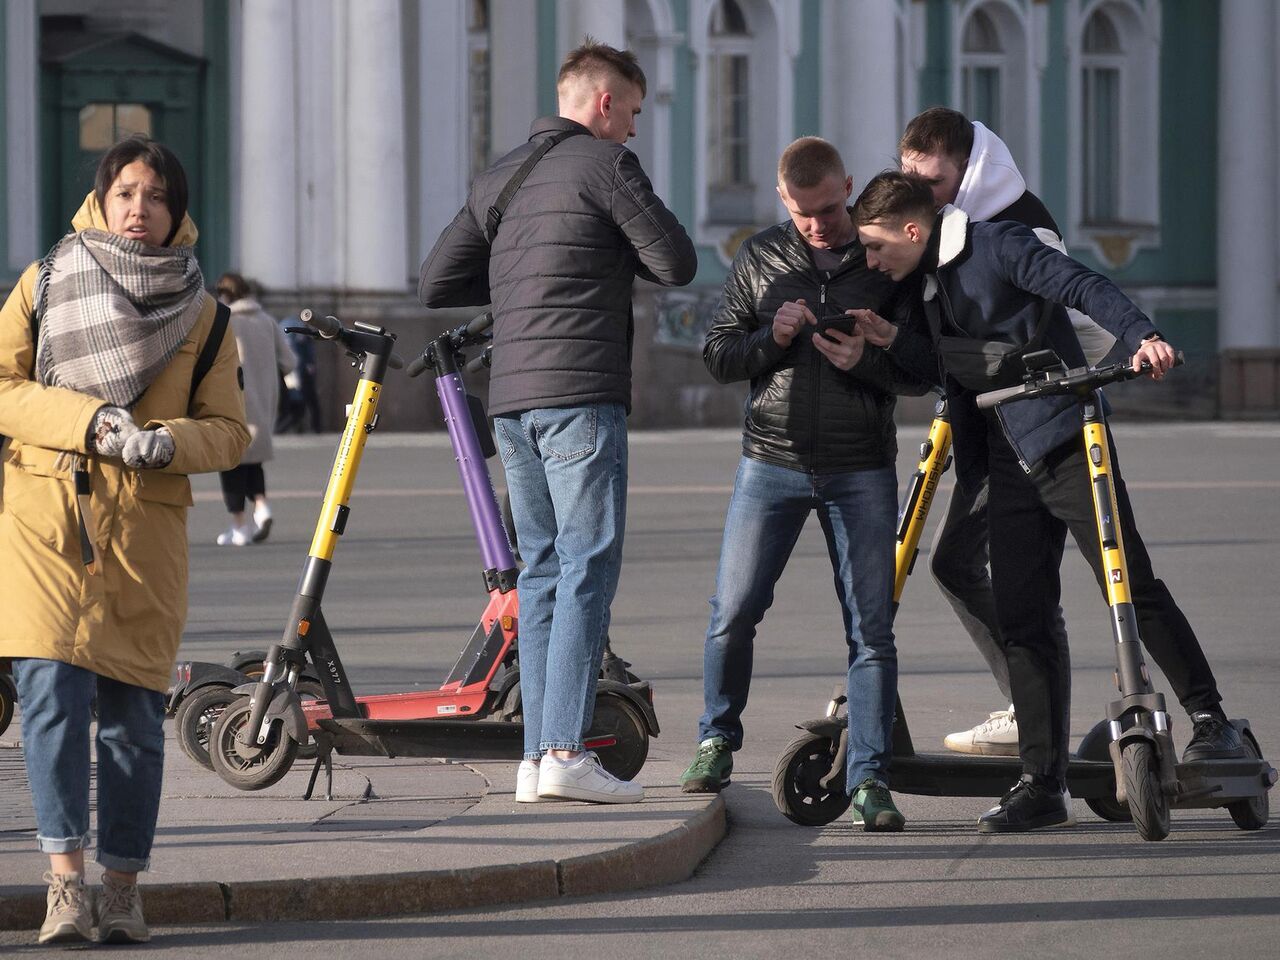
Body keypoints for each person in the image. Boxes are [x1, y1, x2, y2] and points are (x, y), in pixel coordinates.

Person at [850, 171, 1243, 832]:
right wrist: (879, 347)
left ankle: (1211, 720)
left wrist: (1140, 336)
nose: (871, 259)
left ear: (913, 231)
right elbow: (937, 368)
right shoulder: (918, 281)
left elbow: (1080, 284)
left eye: (875, 245)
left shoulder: (997, 244)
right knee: (1025, 614)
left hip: (1063, 438)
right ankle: (1041, 782)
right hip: (1003, 461)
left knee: (1130, 587)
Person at [418, 40, 696, 804]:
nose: (635, 129)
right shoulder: (608, 168)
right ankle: (566, 753)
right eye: (633, 112)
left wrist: (523, 266)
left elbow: (436, 281)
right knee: (585, 569)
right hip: (580, 391)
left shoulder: (499, 175)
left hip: (512, 398)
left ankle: (537, 758)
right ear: (605, 103)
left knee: (540, 572)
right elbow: (675, 261)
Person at [0, 136, 248, 943]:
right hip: (44, 524)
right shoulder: (43, 282)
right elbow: (3, 386)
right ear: (101, 202)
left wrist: (170, 439)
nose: (139, 209)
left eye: (156, 196)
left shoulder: (205, 315)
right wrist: (90, 420)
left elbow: (232, 431)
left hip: (144, 534)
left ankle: (124, 887)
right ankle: (64, 885)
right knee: (52, 704)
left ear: (179, 213)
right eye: (125, 194)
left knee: (135, 722)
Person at [678, 137, 929, 833]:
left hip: (861, 468)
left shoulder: (883, 261)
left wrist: (872, 356)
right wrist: (771, 340)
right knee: (733, 612)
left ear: (847, 186)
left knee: (871, 631)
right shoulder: (762, 257)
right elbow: (718, 354)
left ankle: (871, 778)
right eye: (802, 212)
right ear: (782, 200)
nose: (818, 225)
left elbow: (923, 369)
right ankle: (715, 741)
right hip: (772, 462)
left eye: (828, 208)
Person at [897, 107, 1117, 756]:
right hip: (984, 425)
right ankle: (1027, 710)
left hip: (1034, 425)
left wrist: (1028, 378)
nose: (917, 191)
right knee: (956, 562)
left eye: (931, 179)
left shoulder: (1019, 226)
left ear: (967, 172)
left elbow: (1086, 325)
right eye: (907, 175)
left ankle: (1037, 720)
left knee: (1033, 579)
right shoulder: (937, 225)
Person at [213, 272, 295, 545]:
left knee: (231, 462)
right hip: (264, 401)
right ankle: (262, 507)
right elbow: (289, 361)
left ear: (225, 294)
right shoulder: (267, 320)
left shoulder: (226, 321)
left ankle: (239, 526)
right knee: (253, 461)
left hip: (234, 399)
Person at [276, 312, 321, 434]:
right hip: (299, 373)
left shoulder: (286, 327)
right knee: (303, 404)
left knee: (300, 404)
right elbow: (295, 357)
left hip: (292, 373)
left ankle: (307, 428)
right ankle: (314, 428)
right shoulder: (297, 332)